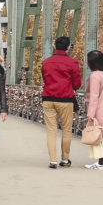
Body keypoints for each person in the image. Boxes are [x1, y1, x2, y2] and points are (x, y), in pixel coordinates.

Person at [41, 36, 82, 169]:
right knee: (66, 130)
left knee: (51, 130)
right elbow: (77, 84)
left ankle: (52, 160)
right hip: (65, 100)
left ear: (54, 46)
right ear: (69, 47)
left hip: (48, 99)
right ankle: (65, 159)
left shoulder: (46, 62)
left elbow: (45, 79)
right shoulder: (73, 63)